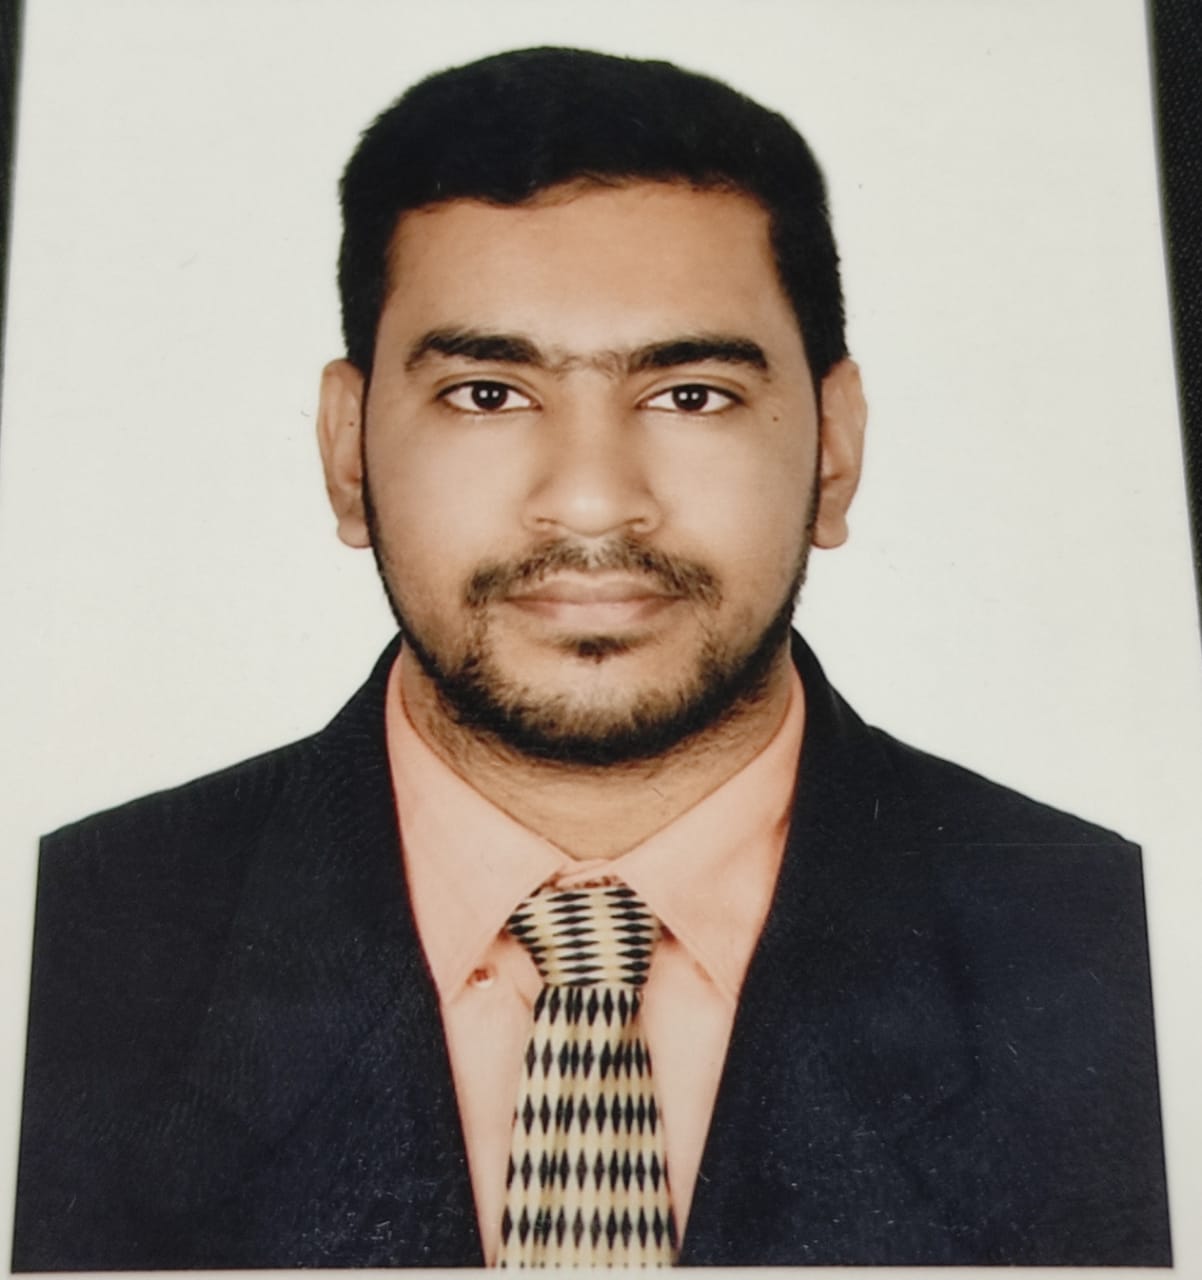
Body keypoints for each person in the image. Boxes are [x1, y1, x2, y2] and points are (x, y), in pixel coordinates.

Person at [12, 46, 1170, 1270]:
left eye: (689, 394)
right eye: (486, 392)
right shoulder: (59, 942)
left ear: (833, 449)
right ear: (346, 451)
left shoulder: (1122, 947)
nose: (589, 501)